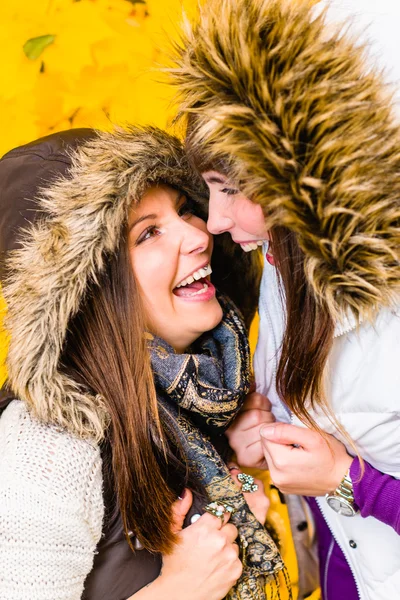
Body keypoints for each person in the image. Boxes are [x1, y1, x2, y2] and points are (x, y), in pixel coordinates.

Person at [171, 0, 400, 599]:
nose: (214, 221)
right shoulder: (278, 258)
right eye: (209, 190)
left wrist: (349, 481)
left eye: (235, 189)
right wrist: (264, 432)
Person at [0, 126, 288, 600]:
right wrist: (177, 591)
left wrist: (231, 461)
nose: (201, 233)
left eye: (183, 210)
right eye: (148, 232)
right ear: (89, 291)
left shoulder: (198, 402)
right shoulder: (49, 442)